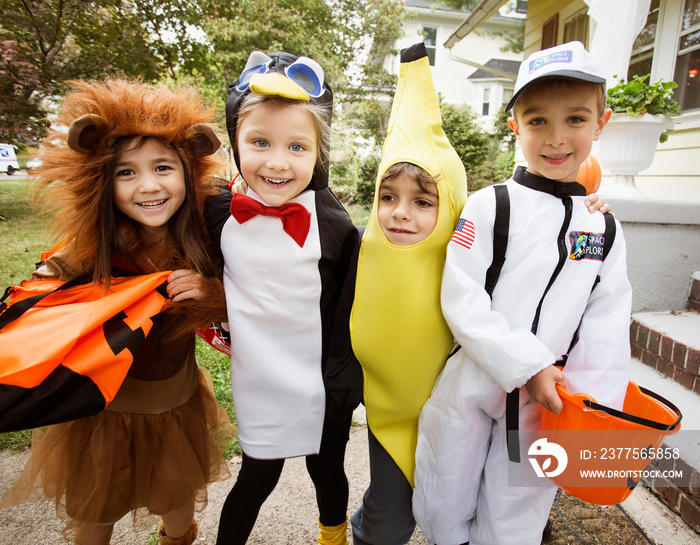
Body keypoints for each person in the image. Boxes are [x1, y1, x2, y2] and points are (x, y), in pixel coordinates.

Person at [412, 41, 633, 545]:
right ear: (515, 126)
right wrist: (526, 364)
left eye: (575, 119)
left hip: (549, 401)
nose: (556, 138)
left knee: (518, 513)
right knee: (445, 495)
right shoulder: (490, 206)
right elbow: (462, 295)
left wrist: (594, 417)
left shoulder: (606, 230)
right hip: (473, 380)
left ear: (601, 123)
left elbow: (606, 326)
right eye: (537, 121)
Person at [0, 78, 234, 545]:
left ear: (189, 169)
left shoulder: (205, 240)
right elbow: (42, 292)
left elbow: (247, 301)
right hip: (105, 413)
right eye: (126, 172)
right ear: (101, 180)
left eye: (164, 167)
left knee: (178, 506)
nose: (148, 186)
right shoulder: (94, 248)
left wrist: (214, 294)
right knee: (95, 512)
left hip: (176, 406)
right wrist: (47, 282)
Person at [204, 51, 362, 545]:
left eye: (297, 146)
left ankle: (332, 536)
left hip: (321, 380)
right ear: (235, 142)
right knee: (257, 476)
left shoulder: (334, 225)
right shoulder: (214, 213)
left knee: (328, 470)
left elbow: (354, 305)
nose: (277, 161)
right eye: (259, 142)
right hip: (261, 378)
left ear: (319, 153)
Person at [348, 43, 468, 545]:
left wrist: (586, 208)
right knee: (390, 520)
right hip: (390, 413)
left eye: (423, 202)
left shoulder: (468, 257)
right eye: (388, 197)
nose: (400, 213)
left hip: (460, 417)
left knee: (459, 515)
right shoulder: (358, 250)